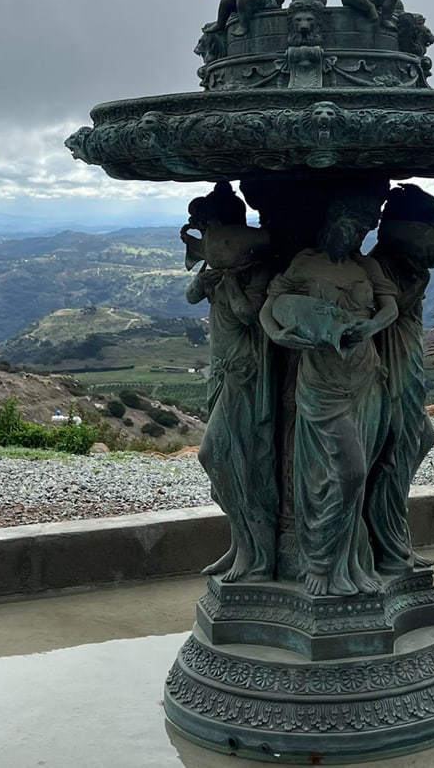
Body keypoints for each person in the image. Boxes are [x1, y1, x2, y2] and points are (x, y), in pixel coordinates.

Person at [260, 191, 398, 597]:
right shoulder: (305, 262)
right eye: (351, 227)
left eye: (362, 230)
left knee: (358, 476)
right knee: (344, 473)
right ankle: (318, 563)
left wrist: (371, 328)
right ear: (333, 223)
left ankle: (350, 564)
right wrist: (277, 333)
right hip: (322, 381)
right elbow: (271, 306)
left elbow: (390, 308)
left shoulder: (366, 265)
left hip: (365, 376)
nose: (355, 236)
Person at [367, 185, 434, 572]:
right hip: (389, 367)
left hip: (405, 362)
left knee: (414, 439)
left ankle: (392, 535)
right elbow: (388, 311)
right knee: (399, 445)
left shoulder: (404, 263)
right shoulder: (381, 265)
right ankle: (387, 542)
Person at [183, 182, 278, 582]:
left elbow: (248, 316)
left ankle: (259, 554)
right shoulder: (217, 265)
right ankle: (240, 544)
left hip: (246, 374)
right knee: (227, 467)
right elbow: (191, 296)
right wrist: (209, 277)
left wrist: (232, 277)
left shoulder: (255, 266)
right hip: (221, 370)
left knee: (223, 456)